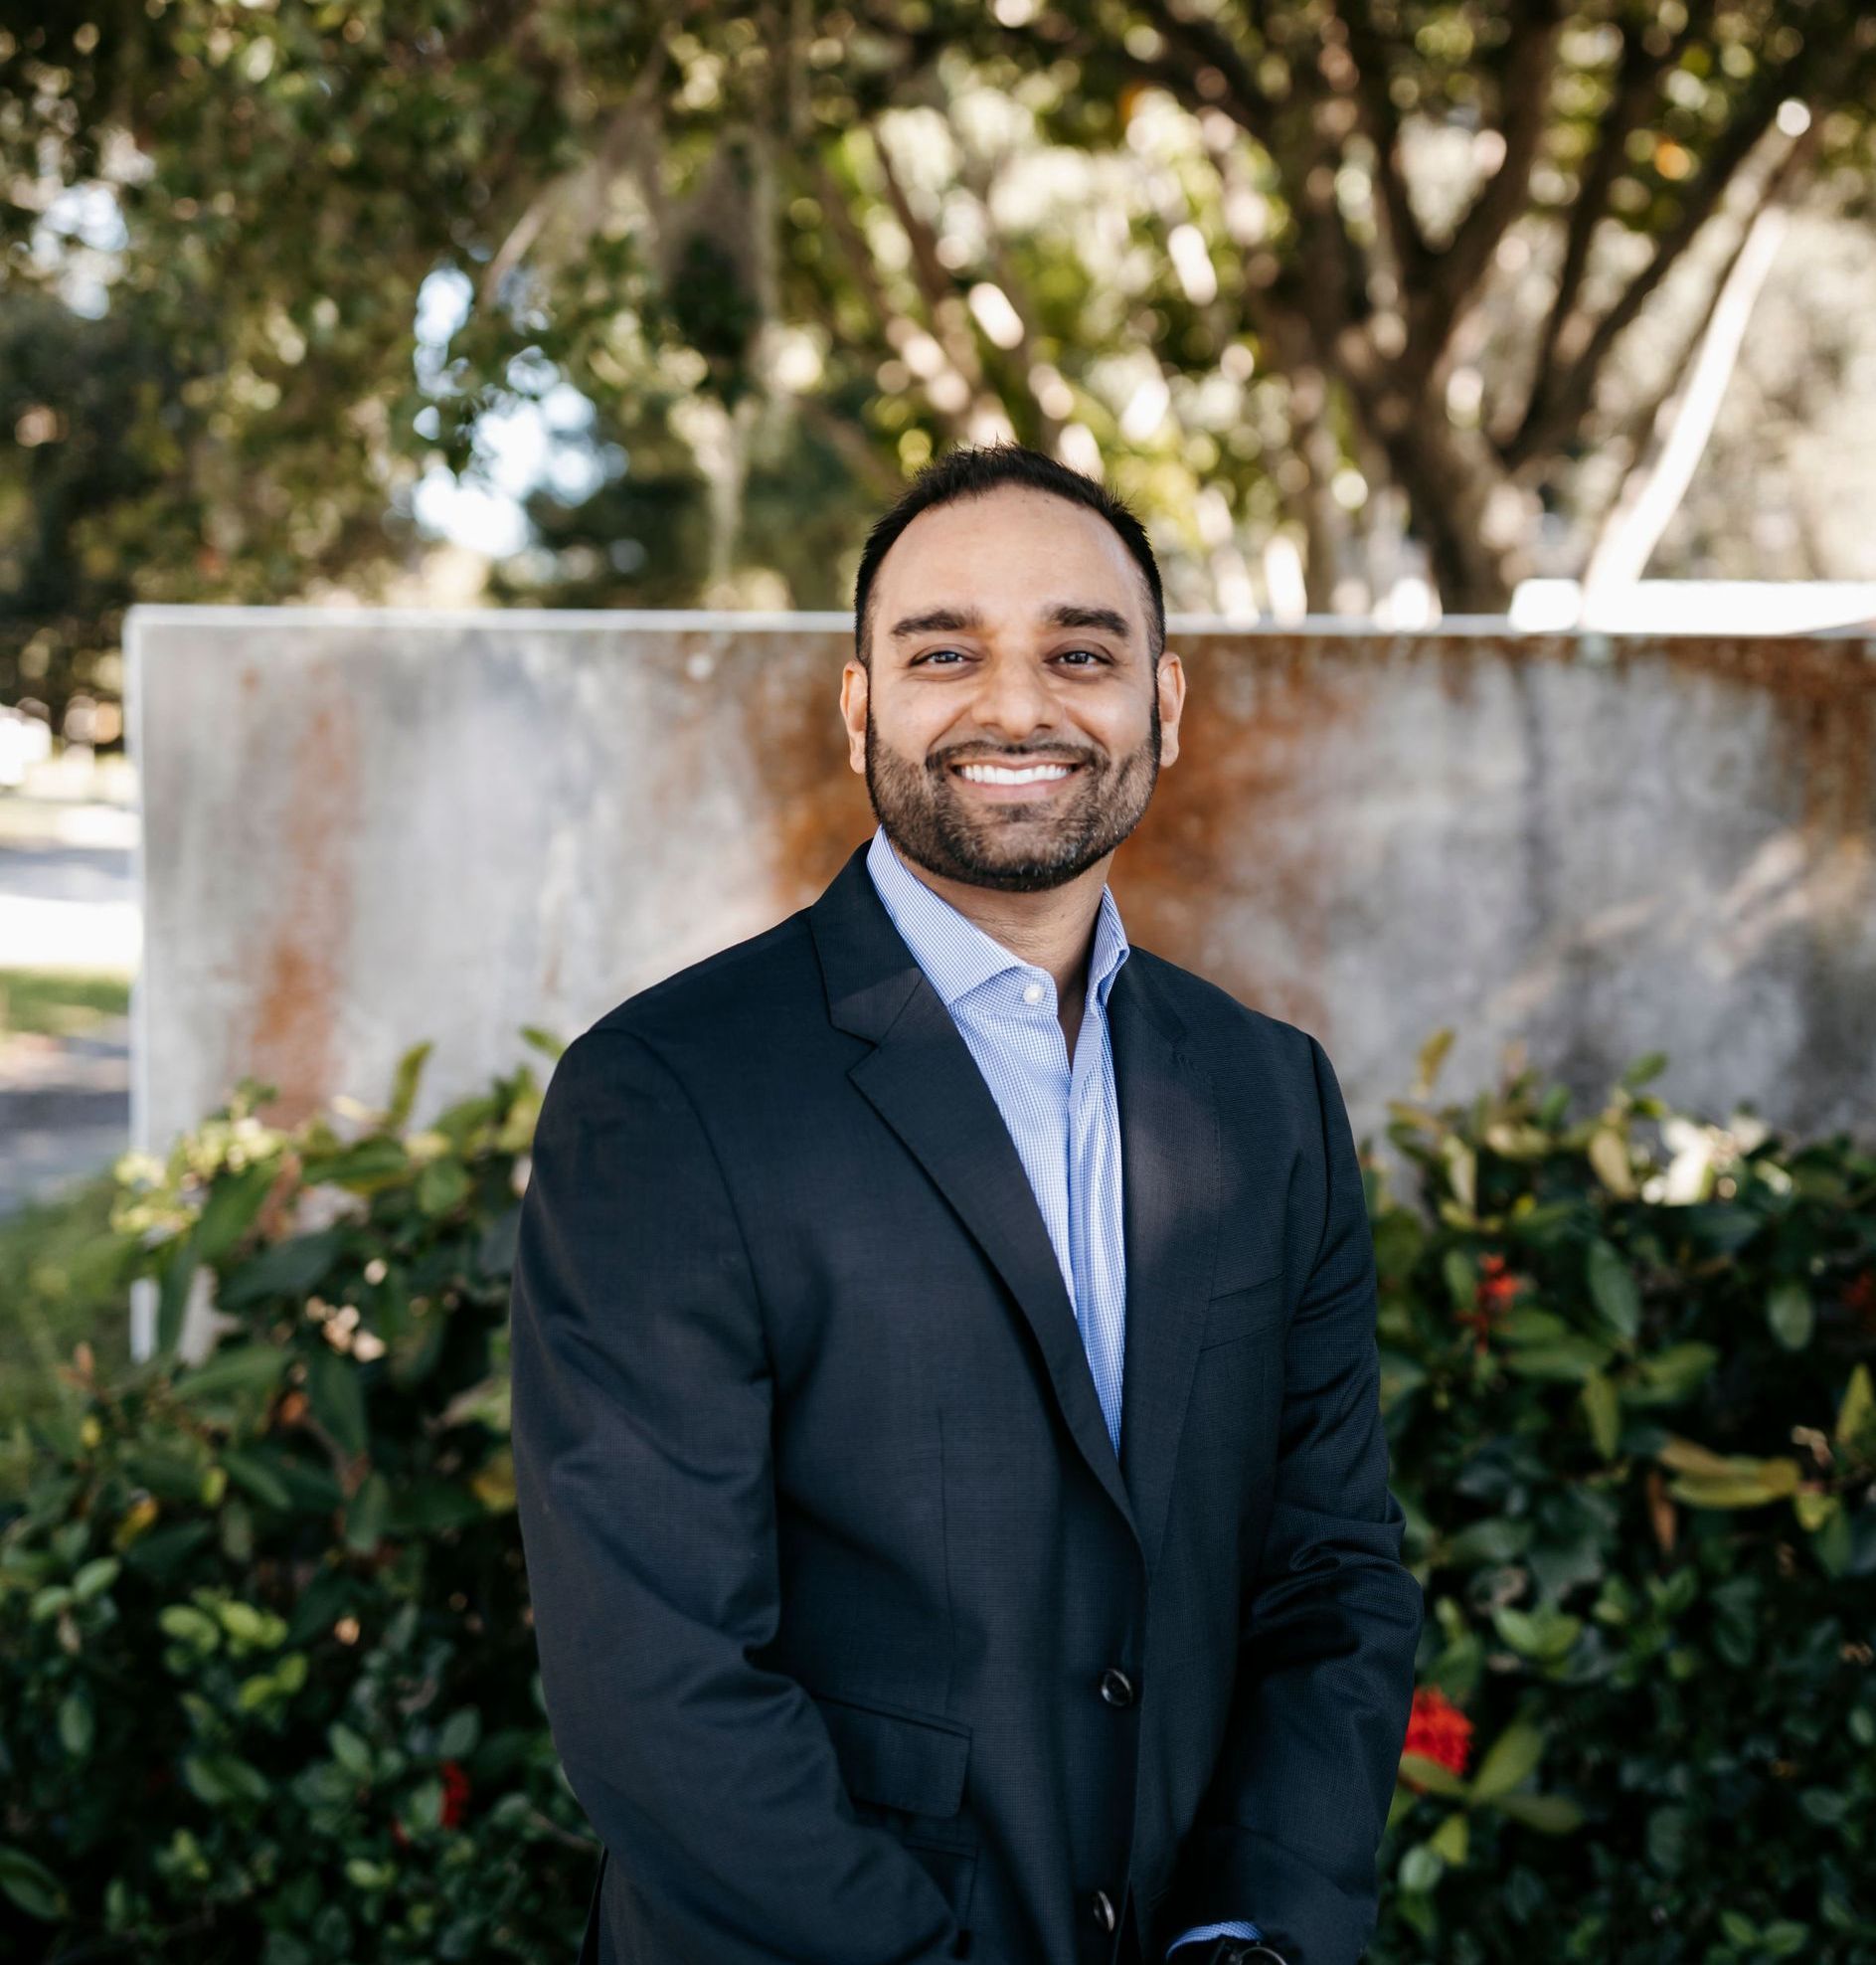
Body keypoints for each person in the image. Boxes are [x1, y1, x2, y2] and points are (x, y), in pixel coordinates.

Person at [509, 442, 1423, 1965]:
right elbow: (654, 1678)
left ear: (1164, 707)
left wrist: (1254, 1934)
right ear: (860, 704)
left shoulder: (1271, 1098)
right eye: (946, 654)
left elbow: (1332, 1579)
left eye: (1081, 651)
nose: (1017, 706)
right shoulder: (666, 1095)